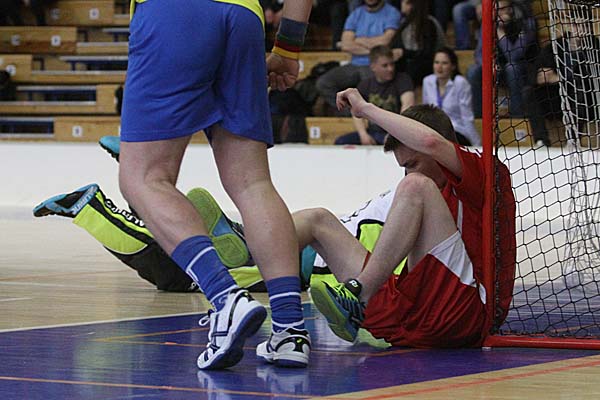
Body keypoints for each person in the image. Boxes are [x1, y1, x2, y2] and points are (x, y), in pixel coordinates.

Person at [118, 0, 313, 370]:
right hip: (244, 17)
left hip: (172, 14)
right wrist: (287, 50)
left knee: (143, 178)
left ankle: (226, 298)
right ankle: (290, 331)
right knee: (253, 183)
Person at [309, 92, 516, 348]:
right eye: (404, 167)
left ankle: (357, 293)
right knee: (316, 220)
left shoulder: (486, 173)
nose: (408, 173)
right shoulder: (425, 198)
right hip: (413, 313)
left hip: (463, 314)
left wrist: (365, 109)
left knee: (415, 186)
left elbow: (430, 141)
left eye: (413, 163)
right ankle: (282, 319)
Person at [315, 0, 401, 114]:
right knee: (323, 83)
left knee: (373, 88)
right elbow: (345, 45)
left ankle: (371, 117)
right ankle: (351, 114)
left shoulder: (392, 12)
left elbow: (385, 41)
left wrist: (358, 40)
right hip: (354, 64)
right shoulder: (356, 13)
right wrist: (375, 50)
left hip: (376, 65)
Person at [466, 0, 536, 117]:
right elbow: (479, 53)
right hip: (499, 67)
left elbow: (513, 56)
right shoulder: (488, 23)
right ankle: (479, 116)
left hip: (524, 68)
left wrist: (500, 31)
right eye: (496, 10)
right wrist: (488, 64)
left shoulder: (526, 23)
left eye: (503, 9)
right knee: (473, 71)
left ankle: (517, 115)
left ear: (511, 9)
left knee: (511, 68)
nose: (499, 13)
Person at [335, 45, 414, 145]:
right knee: (340, 142)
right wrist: (363, 134)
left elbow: (407, 107)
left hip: (395, 131)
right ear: (373, 67)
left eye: (392, 64)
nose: (390, 69)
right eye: (385, 65)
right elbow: (355, 111)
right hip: (373, 131)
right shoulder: (365, 84)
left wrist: (395, 134)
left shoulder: (403, 80)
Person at [422, 47, 481, 146]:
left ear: (453, 66)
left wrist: (477, 145)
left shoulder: (460, 83)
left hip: (456, 131)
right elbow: (426, 112)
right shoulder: (427, 81)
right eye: (436, 62)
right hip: (433, 132)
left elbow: (466, 117)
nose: (439, 67)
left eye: (444, 63)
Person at [390, 0, 446, 86]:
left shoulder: (429, 23)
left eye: (406, 3)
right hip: (409, 66)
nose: (402, 5)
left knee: (412, 67)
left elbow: (427, 53)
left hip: (427, 66)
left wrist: (404, 53)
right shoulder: (403, 23)